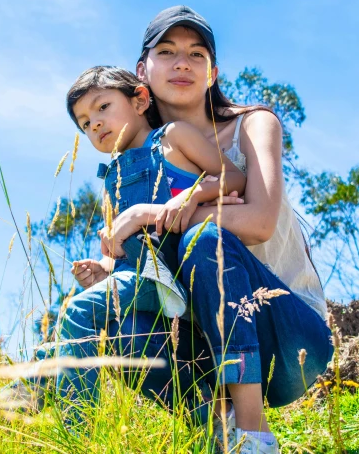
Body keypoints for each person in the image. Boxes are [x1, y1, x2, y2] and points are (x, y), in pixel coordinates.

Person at [103, 6, 333, 453]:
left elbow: (260, 221)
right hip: (201, 344)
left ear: (212, 72)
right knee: (114, 319)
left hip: (290, 338)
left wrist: (158, 212)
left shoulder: (252, 124)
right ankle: (215, 428)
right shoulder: (137, 160)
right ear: (141, 72)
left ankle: (254, 437)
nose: (182, 62)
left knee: (205, 239)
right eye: (166, 51)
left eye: (196, 53)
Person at [53, 65, 246, 412]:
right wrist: (103, 268)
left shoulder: (173, 137)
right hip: (144, 281)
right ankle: (205, 416)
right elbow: (127, 253)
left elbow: (234, 178)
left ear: (140, 100)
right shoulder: (112, 180)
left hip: (179, 274)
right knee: (105, 332)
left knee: (78, 312)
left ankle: (74, 432)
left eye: (102, 107)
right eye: (84, 123)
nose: (94, 124)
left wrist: (187, 197)